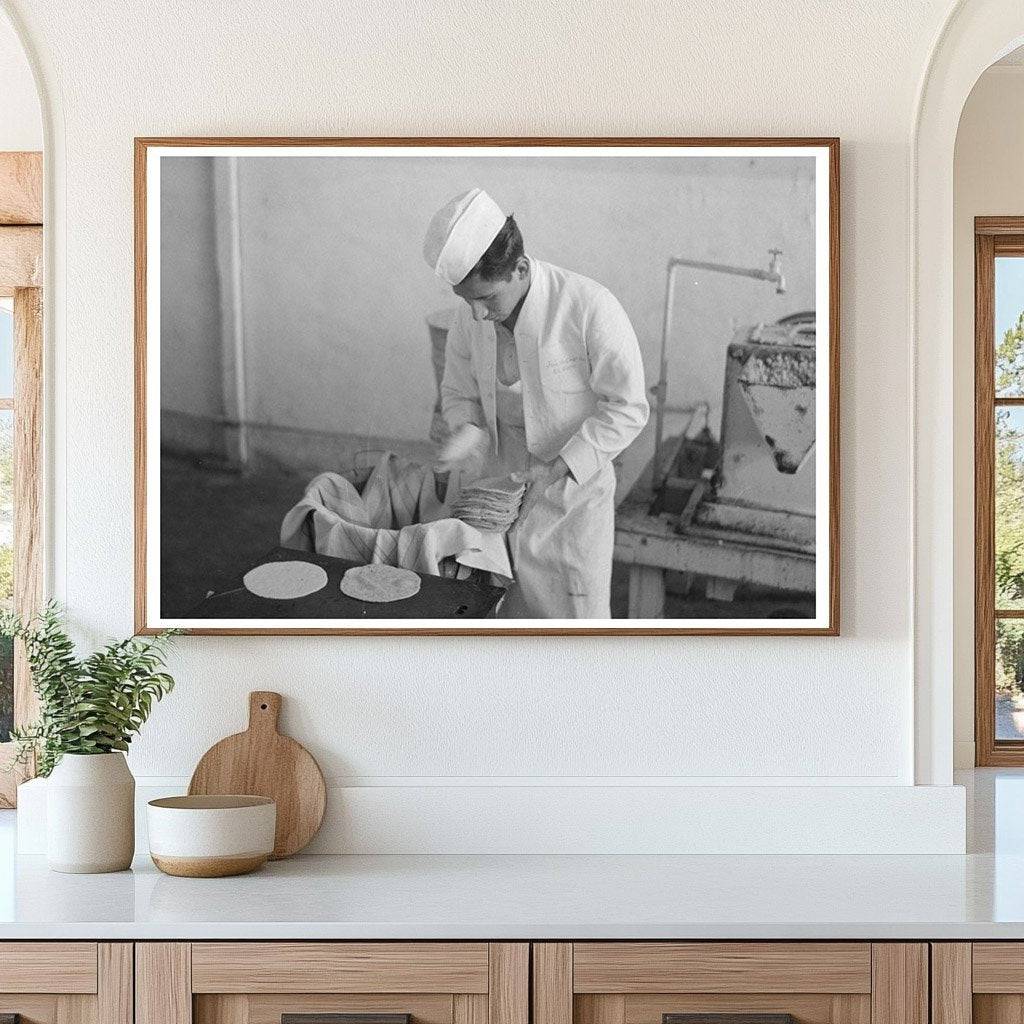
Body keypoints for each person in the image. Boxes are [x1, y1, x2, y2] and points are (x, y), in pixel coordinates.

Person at [423, 187, 649, 618]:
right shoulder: (471, 315)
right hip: (497, 499)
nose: (476, 315)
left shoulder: (588, 307)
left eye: (486, 298)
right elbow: (458, 391)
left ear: (521, 268)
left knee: (572, 636)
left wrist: (556, 467)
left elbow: (627, 407)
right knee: (504, 622)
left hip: (570, 504)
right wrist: (467, 428)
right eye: (465, 300)